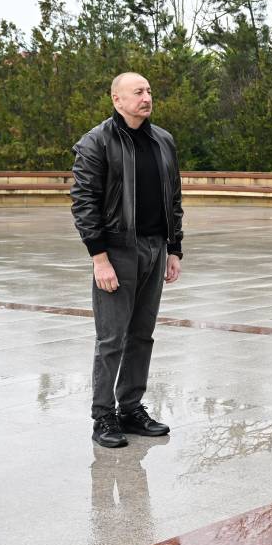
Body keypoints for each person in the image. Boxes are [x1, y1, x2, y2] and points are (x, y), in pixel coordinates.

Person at [71, 72, 184, 448]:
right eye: (138, 92)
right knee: (111, 338)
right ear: (117, 100)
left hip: (154, 248)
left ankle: (131, 409)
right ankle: (103, 416)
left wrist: (174, 248)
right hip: (117, 250)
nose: (146, 97)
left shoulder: (163, 140)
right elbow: (84, 203)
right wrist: (99, 258)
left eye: (149, 91)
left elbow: (174, 199)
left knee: (142, 335)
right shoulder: (96, 142)